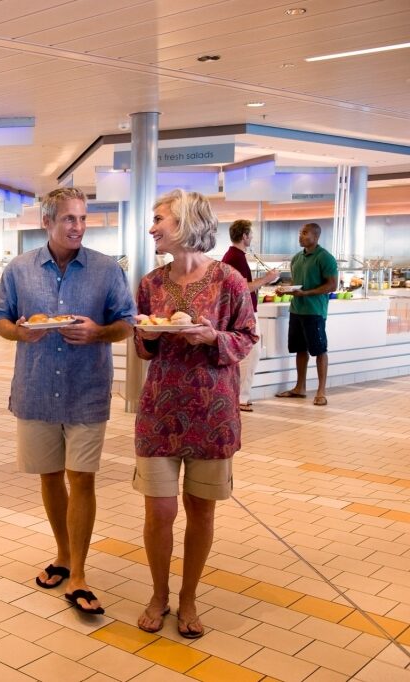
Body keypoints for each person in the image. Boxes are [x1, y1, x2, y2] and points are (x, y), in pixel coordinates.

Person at [0, 187, 135, 615]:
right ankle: (63, 554)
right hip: (36, 388)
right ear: (47, 222)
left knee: (83, 478)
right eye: (69, 219)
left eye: (83, 218)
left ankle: (80, 575)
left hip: (86, 388)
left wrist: (97, 332)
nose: (78, 227)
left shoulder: (107, 270)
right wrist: (19, 332)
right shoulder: (19, 269)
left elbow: (126, 322)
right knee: (49, 477)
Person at [133, 189, 257, 638]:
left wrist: (212, 338)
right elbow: (145, 349)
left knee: (200, 512)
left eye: (159, 218)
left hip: (212, 413)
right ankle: (158, 594)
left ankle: (188, 599)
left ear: (185, 222)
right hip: (159, 412)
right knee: (159, 512)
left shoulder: (230, 282)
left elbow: (245, 337)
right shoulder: (150, 283)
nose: (152, 228)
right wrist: (145, 332)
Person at [274, 222, 338, 406]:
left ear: (316, 236)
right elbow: (298, 283)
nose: (300, 236)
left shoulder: (325, 258)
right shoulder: (296, 258)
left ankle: (321, 392)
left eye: (304, 233)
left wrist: (307, 293)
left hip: (314, 311)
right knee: (300, 349)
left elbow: (332, 285)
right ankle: (300, 388)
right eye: (300, 233)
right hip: (296, 310)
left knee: (319, 350)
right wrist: (287, 290)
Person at [221, 220, 279, 412]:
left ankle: (239, 396)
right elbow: (243, 287)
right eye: (250, 234)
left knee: (250, 352)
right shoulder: (235, 257)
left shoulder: (235, 256)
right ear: (244, 236)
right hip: (244, 313)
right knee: (252, 352)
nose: (252, 237)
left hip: (241, 311)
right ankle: (241, 397)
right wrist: (267, 279)